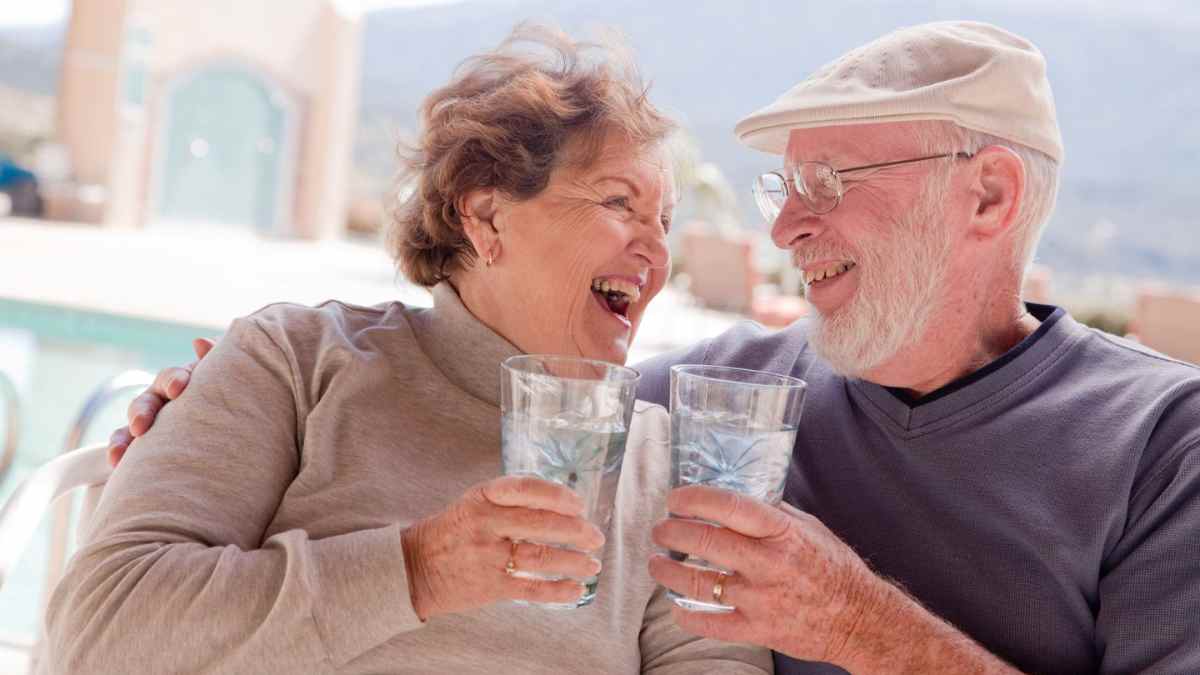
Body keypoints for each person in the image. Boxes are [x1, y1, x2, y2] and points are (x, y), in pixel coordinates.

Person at [113, 21, 1200, 674]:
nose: (782, 228)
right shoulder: (696, 408)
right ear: (484, 217)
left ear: (990, 193)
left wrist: (860, 626)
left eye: (832, 184)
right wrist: (203, 419)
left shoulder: (1164, 443)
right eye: (787, 187)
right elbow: (484, 373)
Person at [43, 24, 771, 674]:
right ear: (487, 215)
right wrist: (418, 570)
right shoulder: (293, 362)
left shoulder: (672, 461)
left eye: (665, 220)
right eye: (619, 203)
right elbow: (102, 636)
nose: (655, 249)